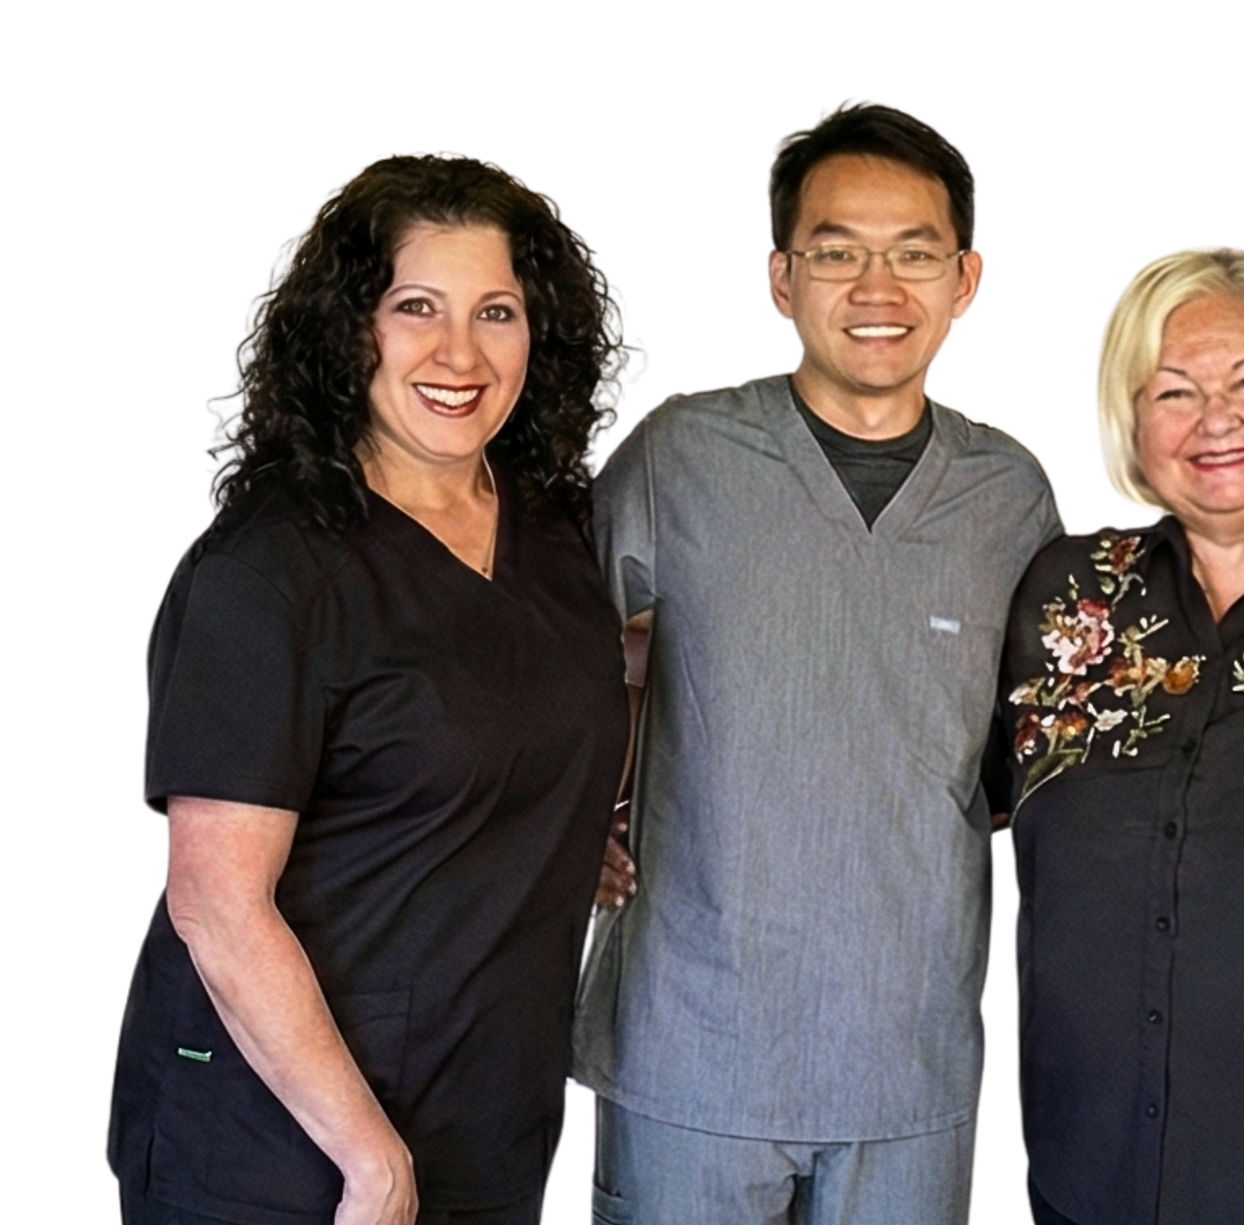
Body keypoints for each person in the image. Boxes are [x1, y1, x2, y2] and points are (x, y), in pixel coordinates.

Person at [109, 153, 639, 1225]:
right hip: (283, 1145)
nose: (460, 353)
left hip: (484, 1115)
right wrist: (370, 1161)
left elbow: (538, 699)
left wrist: (548, 826)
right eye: (416, 307)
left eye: (496, 311)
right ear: (350, 329)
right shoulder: (268, 571)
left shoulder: (550, 531)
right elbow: (216, 901)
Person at [572, 98, 1063, 1224]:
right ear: (780, 281)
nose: (876, 288)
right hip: (692, 1036)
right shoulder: (681, 457)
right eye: (836, 252)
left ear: (968, 281)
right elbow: (547, 654)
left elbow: (1035, 748)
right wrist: (569, 817)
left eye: (914, 254)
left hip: (909, 1048)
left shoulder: (1011, 496)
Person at [996, 244, 1244, 1225]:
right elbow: (950, 792)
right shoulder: (1065, 591)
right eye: (1174, 390)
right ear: (1130, 418)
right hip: (1086, 1167)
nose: (1216, 419)